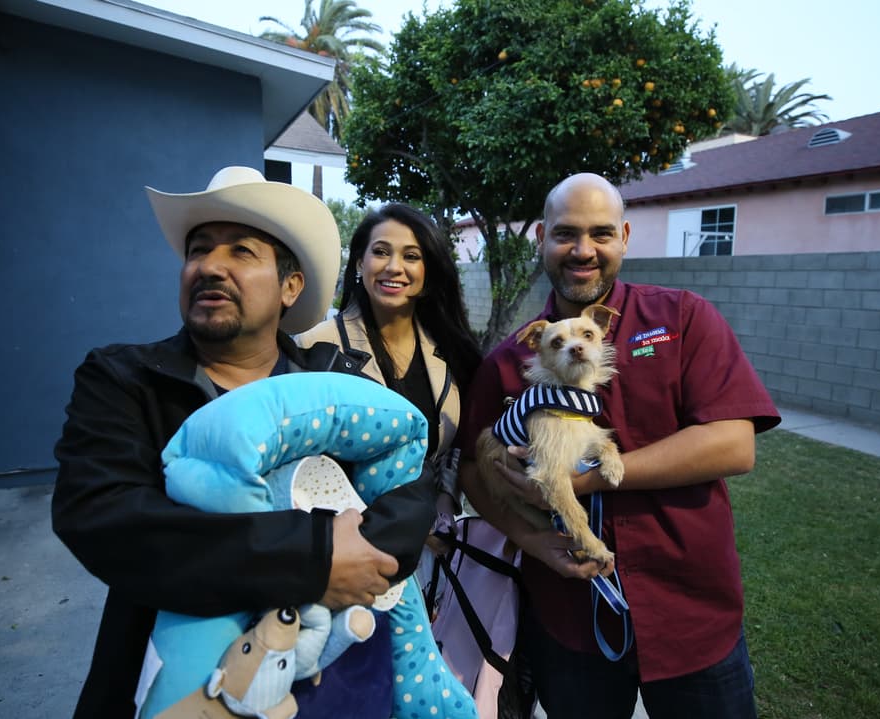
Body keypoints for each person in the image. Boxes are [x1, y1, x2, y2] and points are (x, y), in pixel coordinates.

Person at [51, 167, 435, 718]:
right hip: (170, 689)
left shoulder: (335, 383)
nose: (209, 266)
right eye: (198, 250)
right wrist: (315, 559)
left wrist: (362, 554)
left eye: (241, 252)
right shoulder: (125, 380)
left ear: (290, 286)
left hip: (334, 686)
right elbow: (104, 517)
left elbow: (410, 492)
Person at [455, 173, 781, 719]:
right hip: (569, 618)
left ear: (625, 236)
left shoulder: (681, 318)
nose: (584, 250)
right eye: (566, 234)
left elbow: (734, 443)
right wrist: (527, 540)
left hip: (689, 609)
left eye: (601, 233)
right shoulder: (514, 357)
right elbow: (470, 466)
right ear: (541, 237)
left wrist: (593, 476)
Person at [295, 203, 482, 574]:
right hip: (341, 551)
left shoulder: (450, 349)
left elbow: (456, 447)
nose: (394, 266)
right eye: (381, 252)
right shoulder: (315, 348)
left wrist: (445, 502)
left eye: (411, 256)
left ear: (428, 274)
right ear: (360, 264)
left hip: (427, 555)